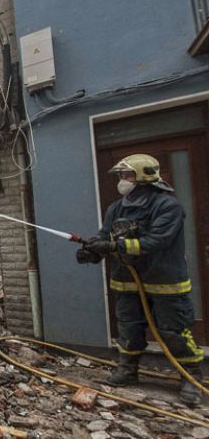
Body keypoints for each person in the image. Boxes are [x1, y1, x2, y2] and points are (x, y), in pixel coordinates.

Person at [77, 154, 204, 407]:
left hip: (164, 279)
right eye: (121, 176)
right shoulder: (116, 208)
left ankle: (190, 376)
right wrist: (92, 251)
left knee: (173, 331)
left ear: (144, 175)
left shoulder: (167, 206)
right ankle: (127, 369)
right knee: (128, 328)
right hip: (126, 280)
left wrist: (114, 246)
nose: (122, 181)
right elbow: (106, 235)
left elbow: (157, 241)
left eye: (127, 175)